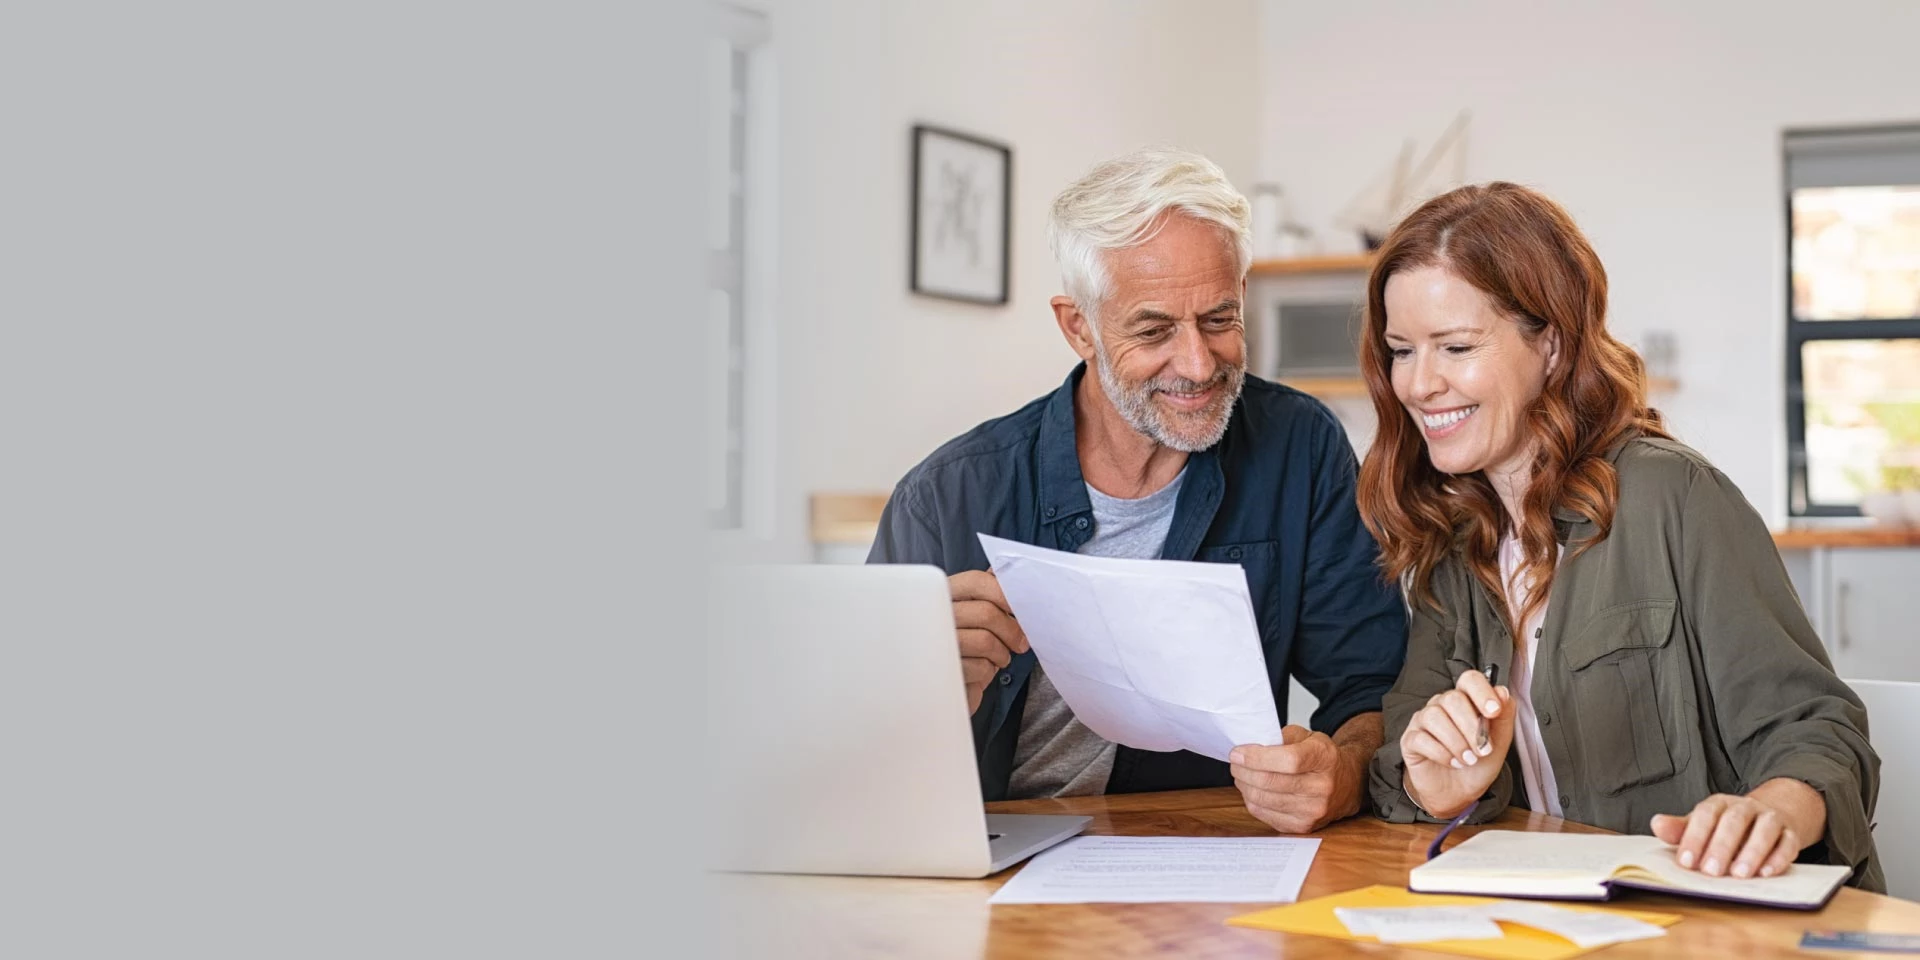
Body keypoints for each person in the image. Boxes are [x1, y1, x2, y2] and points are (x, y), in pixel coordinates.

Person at [1360, 182, 1882, 890]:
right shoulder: (1453, 542)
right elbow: (1400, 755)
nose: (1419, 385)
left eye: (1455, 346)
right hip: (1555, 916)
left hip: (1712, 916)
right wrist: (1438, 784)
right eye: (1401, 350)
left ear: (1550, 345)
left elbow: (1819, 731)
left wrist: (1773, 811)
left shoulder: (1676, 497)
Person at [867, 148, 1407, 832]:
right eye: (1153, 330)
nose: (1198, 364)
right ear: (1079, 327)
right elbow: (845, 748)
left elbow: (1373, 688)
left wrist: (1342, 774)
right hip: (988, 850)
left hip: (1193, 849)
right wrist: (916, 683)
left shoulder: (1299, 447)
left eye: (1219, 319)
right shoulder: (946, 496)